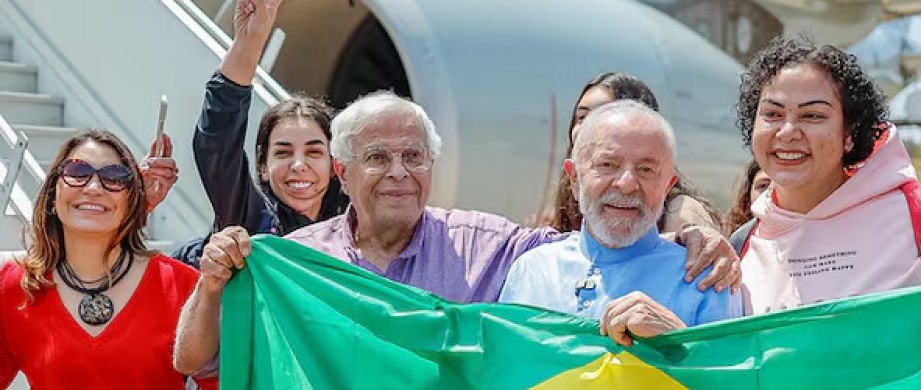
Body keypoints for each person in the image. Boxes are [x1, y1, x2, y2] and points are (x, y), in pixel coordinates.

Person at [173, 91, 740, 375]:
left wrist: (693, 226)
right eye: (378, 157)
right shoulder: (294, 265)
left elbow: (608, 230)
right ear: (342, 172)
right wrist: (213, 284)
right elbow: (195, 364)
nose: (399, 172)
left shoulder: (495, 251)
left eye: (414, 156)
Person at [733, 36, 921, 314]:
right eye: (772, 114)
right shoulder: (739, 250)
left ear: (849, 134)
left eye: (813, 116)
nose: (787, 132)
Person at [501, 101, 742, 346]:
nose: (626, 183)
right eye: (607, 165)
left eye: (646, 169)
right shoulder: (532, 271)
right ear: (574, 179)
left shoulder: (708, 282)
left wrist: (678, 343)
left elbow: (737, 379)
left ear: (667, 186)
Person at [0, 130, 216, 389]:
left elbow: (225, 382)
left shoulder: (181, 284)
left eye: (114, 177)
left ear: (132, 200)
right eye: (77, 173)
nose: (93, 188)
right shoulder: (15, 284)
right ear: (53, 197)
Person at [173, 0, 348, 267]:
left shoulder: (354, 231)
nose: (298, 165)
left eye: (314, 151)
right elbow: (217, 141)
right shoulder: (252, 223)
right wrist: (250, 41)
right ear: (263, 167)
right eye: (282, 152)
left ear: (335, 164)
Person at [546, 72, 721, 234]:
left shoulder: (680, 212)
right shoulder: (572, 202)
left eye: (604, 115)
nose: (589, 126)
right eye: (582, 117)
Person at [724, 160, 770, 235]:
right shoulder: (736, 242)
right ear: (748, 197)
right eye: (763, 186)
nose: (771, 192)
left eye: (782, 186)